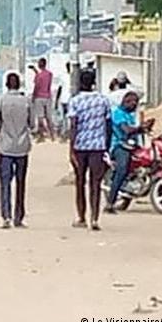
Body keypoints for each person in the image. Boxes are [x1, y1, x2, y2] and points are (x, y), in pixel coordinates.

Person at [67, 69, 111, 231]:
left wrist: (70, 149)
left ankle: (81, 217)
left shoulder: (75, 101)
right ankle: (95, 218)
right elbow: (108, 125)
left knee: (80, 182)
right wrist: (106, 145)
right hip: (98, 147)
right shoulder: (103, 100)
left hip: (80, 146)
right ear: (94, 83)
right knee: (96, 183)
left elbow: (73, 125)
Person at [0, 71, 33, 228]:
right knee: (21, 183)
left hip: (5, 147)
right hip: (22, 147)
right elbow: (32, 124)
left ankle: (6, 216)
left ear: (7, 84)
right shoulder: (26, 101)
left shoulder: (0, 100)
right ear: (19, 84)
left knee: (5, 183)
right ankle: (18, 217)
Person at [106, 91, 154, 213]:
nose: (134, 105)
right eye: (132, 102)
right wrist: (140, 128)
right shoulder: (117, 113)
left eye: (136, 103)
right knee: (122, 171)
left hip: (131, 146)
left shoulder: (130, 115)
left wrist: (145, 127)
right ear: (125, 101)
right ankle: (110, 203)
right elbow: (126, 130)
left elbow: (135, 131)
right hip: (119, 146)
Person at [30, 58, 54, 142]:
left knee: (40, 117)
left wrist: (33, 96)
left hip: (39, 97)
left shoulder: (39, 75)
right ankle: (52, 135)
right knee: (49, 117)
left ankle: (42, 136)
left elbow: (37, 86)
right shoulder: (49, 74)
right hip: (47, 96)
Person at [55, 62, 72, 141]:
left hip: (70, 100)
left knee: (68, 118)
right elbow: (59, 89)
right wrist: (56, 100)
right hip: (64, 99)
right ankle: (64, 134)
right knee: (64, 118)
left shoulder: (74, 76)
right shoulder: (64, 76)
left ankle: (67, 134)